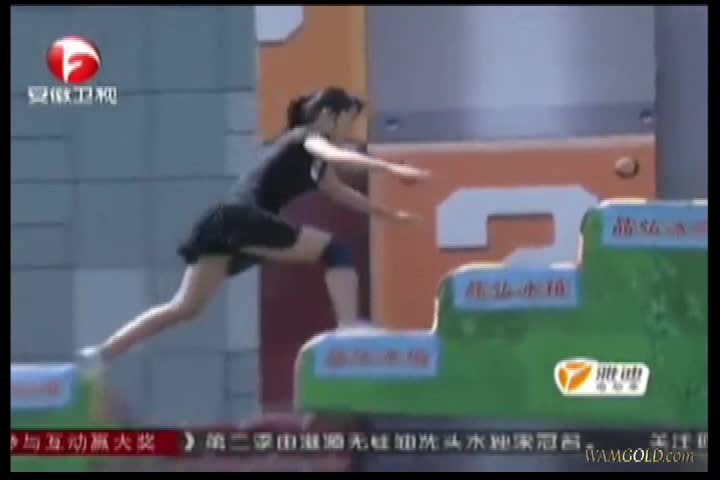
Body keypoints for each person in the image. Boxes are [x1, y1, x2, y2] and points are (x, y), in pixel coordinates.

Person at [78, 87, 429, 368]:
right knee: (335, 250)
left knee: (185, 307)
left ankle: (102, 354)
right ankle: (349, 328)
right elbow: (336, 156)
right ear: (326, 116)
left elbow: (343, 193)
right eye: (347, 122)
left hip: (223, 222)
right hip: (244, 219)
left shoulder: (315, 163)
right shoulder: (305, 137)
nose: (348, 132)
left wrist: (390, 215)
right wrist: (392, 169)